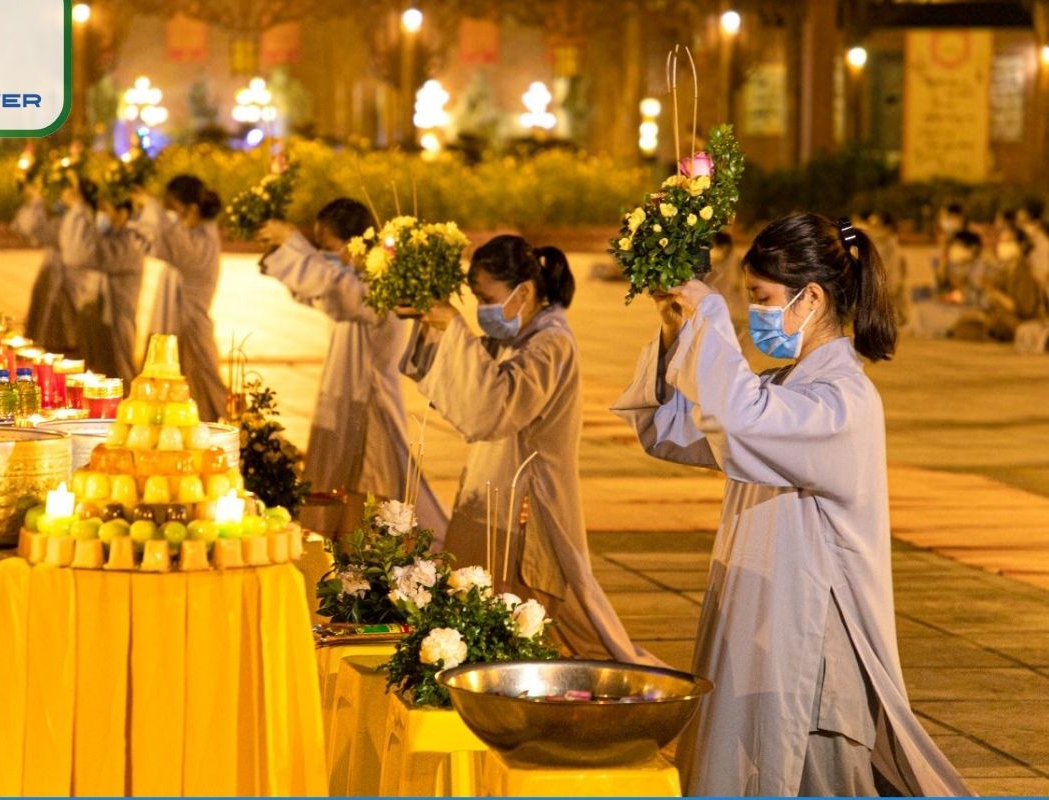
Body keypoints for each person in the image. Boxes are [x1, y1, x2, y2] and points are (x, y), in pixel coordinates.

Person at [612, 213, 970, 796]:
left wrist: (708, 314)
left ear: (810, 298)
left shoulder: (841, 400)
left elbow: (736, 416)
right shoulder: (785, 387)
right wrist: (677, 329)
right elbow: (672, 431)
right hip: (765, 626)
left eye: (761, 297)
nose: (753, 312)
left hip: (811, 651)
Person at [402, 235, 651, 663]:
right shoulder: (516, 337)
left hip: (527, 505)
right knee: (480, 608)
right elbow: (458, 384)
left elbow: (495, 405)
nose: (482, 309)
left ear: (526, 291)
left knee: (553, 620)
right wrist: (434, 325)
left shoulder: (550, 344)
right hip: (490, 497)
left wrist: (455, 329)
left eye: (487, 297)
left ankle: (617, 684)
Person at [257, 201, 449, 540]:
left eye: (328, 248)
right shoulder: (354, 278)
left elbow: (336, 288)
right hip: (344, 392)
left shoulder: (380, 283)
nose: (325, 256)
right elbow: (321, 291)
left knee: (386, 481)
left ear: (353, 242)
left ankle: (409, 547)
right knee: (339, 477)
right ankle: (338, 543)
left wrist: (292, 243)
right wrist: (286, 253)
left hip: (370, 398)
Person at [151, 175, 229, 421]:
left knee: (204, 382)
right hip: (178, 322)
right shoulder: (190, 234)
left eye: (173, 209)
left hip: (192, 323)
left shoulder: (204, 238)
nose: (171, 216)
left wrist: (153, 212)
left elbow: (174, 246)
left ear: (192, 208)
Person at [59, 183, 149, 385]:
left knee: (118, 374)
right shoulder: (108, 237)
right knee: (96, 373)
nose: (102, 215)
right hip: (98, 317)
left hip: (116, 320)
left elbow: (81, 254)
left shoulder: (130, 242)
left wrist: (78, 209)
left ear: (123, 212)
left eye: (106, 210)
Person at [12, 175, 85, 355]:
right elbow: (30, 231)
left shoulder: (80, 217)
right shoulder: (64, 216)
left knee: (66, 340)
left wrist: (37, 202)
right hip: (53, 277)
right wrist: (34, 201)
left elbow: (43, 232)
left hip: (71, 284)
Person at [984, 226, 1046, 342]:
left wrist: (996, 294)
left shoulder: (1026, 273)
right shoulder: (1004, 272)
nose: (1002, 246)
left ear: (1021, 245)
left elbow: (1025, 310)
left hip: (1021, 323)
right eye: (1001, 242)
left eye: (1008, 242)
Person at [702, 230, 746, 332]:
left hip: (731, 317)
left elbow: (741, 287)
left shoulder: (732, 264)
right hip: (718, 317)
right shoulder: (712, 267)